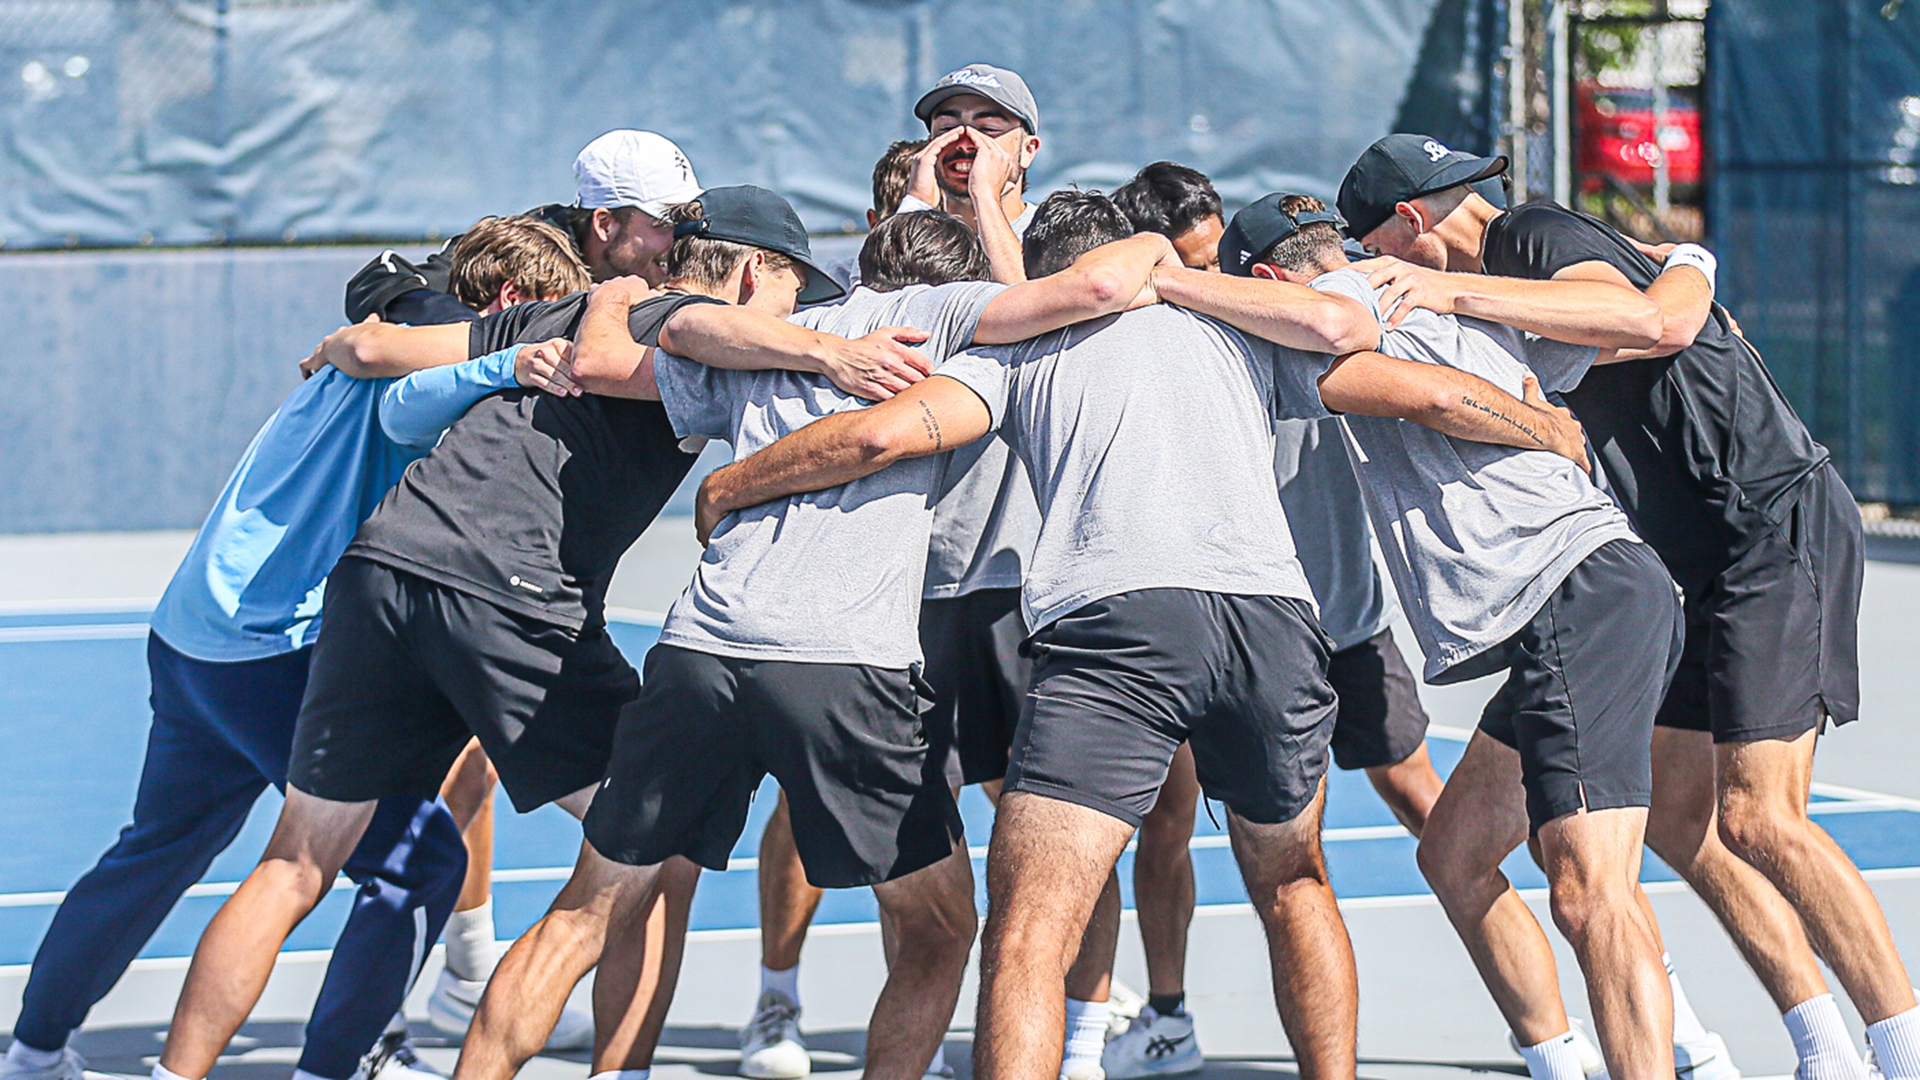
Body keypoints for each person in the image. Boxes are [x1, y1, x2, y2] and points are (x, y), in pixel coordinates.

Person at [687, 190, 1596, 1080]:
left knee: (1031, 927)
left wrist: (733, 485)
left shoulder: (1025, 349)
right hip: (1271, 625)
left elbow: (880, 437)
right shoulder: (1239, 331)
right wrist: (1545, 428)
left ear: (1052, 275)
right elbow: (1414, 383)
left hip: (1117, 625)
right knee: (1294, 882)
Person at [451, 197, 1184, 1080]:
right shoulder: (943, 321)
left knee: (585, 913)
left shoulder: (764, 340)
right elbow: (1095, 287)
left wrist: (626, 309)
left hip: (699, 650)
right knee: (942, 929)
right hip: (840, 664)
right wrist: (1158, 247)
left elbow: (601, 365)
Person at [1344, 131, 1916, 1080]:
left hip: (1767, 527)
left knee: (1762, 818)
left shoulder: (1520, 243)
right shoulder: (1510, 288)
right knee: (1683, 819)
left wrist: (1449, 292)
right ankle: (1823, 1048)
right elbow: (1667, 303)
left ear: (1408, 223)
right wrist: (1687, 268)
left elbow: (1657, 323)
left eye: (1376, 253)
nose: (1376, 274)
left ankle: (1902, 1050)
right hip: (1668, 563)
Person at [0, 218, 594, 1080]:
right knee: (417, 863)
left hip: (192, 635)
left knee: (159, 846)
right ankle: (339, 1065)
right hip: (273, 652)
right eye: (553, 316)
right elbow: (408, 405)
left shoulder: (378, 343)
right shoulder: (433, 364)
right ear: (509, 304)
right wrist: (508, 362)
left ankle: (33, 1048)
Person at [1188, 190, 1691, 1080]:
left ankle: (1670, 1046)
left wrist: (1161, 281)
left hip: (1579, 588)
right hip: (1594, 593)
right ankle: (1555, 1053)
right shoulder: (1434, 293)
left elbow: (1428, 394)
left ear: (1267, 283)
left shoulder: (1336, 337)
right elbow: (1648, 326)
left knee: (1588, 891)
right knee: (1455, 853)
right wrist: (1689, 264)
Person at [336, 130, 705, 1053]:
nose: (678, 240)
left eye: (687, 223)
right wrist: (506, 343)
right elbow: (378, 293)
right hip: (469, 564)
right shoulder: (527, 256)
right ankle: (459, 974)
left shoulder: (656, 290)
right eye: (664, 224)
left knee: (439, 798)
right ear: (604, 220)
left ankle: (453, 982)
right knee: (439, 799)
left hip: (495, 575)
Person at [1086, 161, 1446, 1080]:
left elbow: (1371, 337)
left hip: (1344, 627)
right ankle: (1166, 1018)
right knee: (1173, 825)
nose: (1218, 280)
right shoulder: (1163, 331)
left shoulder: (1330, 305)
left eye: (1224, 260)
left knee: (1442, 824)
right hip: (1234, 621)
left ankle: (1595, 1009)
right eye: (1195, 262)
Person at [739, 65, 1047, 1080]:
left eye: (986, 123)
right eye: (943, 124)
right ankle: (778, 1000)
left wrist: (991, 201)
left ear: (1028, 145)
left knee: (1041, 820)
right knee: (862, 825)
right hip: (880, 599)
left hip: (1003, 585)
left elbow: (1035, 323)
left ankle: (1048, 1025)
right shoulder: (878, 278)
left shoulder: (1045, 253)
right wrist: (921, 203)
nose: (961, 137)